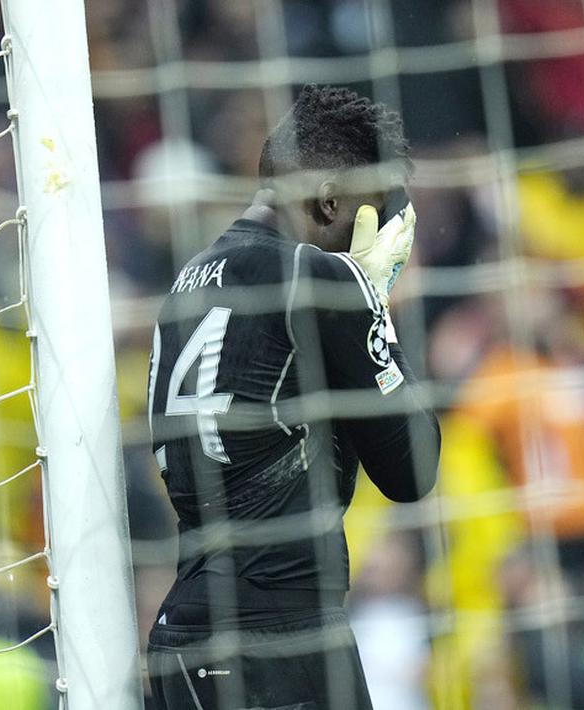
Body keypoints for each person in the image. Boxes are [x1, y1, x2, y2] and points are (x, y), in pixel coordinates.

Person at [144, 84, 441, 710]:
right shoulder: (317, 279)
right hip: (279, 641)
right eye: (373, 212)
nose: (376, 232)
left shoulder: (186, 283)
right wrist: (369, 298)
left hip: (187, 636)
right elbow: (413, 470)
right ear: (330, 201)